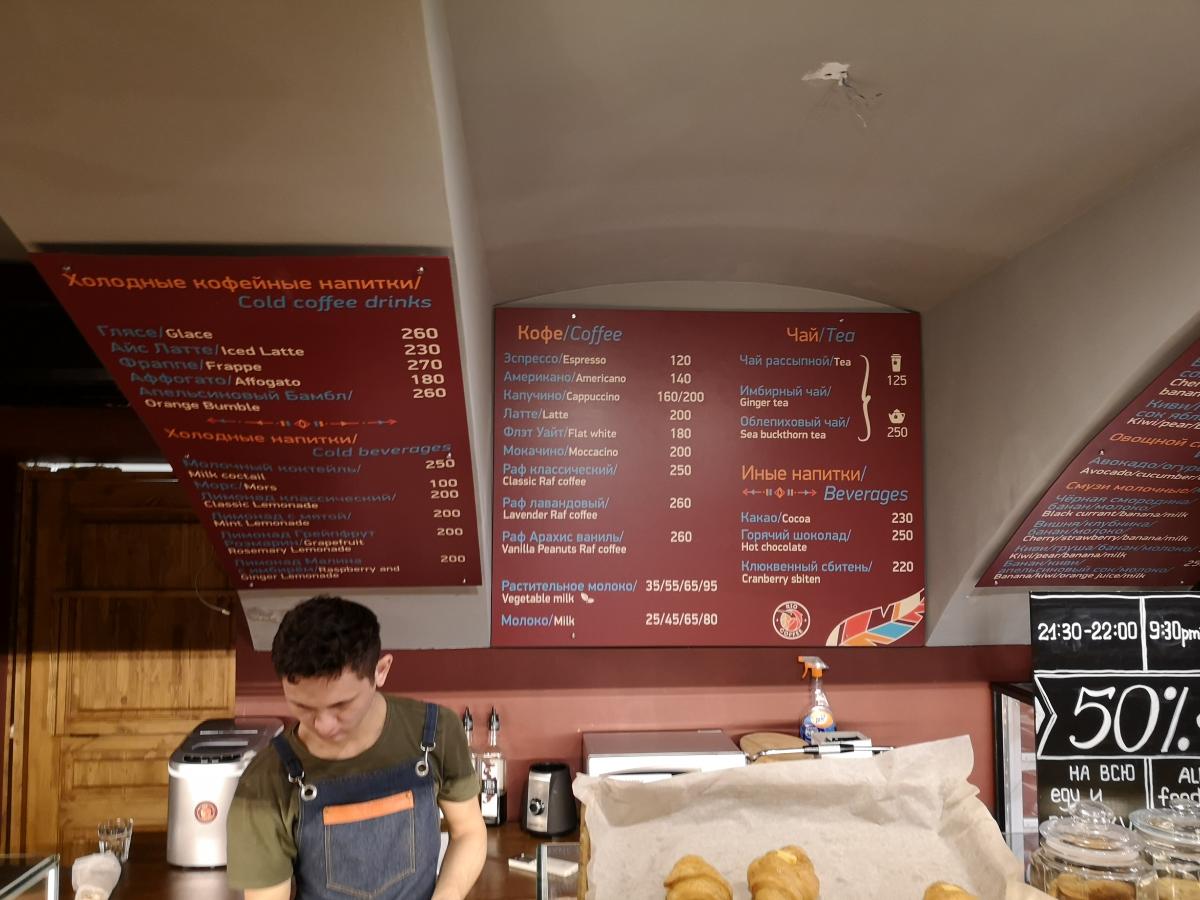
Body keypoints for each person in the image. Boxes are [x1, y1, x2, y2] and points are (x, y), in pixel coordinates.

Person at [227, 595, 486, 900]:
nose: (323, 725)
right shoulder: (264, 784)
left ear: (380, 671)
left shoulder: (435, 732)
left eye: (341, 705)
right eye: (302, 706)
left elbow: (468, 831)